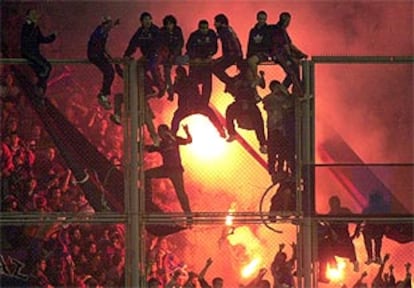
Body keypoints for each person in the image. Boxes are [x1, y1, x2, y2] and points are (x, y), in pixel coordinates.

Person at [144, 124, 193, 225]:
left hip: (176, 171)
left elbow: (189, 140)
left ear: (167, 131)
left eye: (161, 131)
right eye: (159, 132)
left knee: (181, 193)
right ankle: (148, 200)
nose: (160, 134)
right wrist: (142, 146)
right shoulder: (161, 144)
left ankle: (189, 217)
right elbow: (151, 149)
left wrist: (187, 131)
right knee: (147, 174)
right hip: (166, 169)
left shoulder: (175, 139)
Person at [169, 66, 225, 138]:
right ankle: (221, 130)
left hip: (190, 106)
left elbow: (174, 91)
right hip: (193, 106)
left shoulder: (187, 80)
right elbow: (174, 91)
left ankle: (172, 135)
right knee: (210, 113)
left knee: (176, 118)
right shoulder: (188, 80)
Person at [224, 60, 267, 153]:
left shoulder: (253, 78)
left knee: (258, 120)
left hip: (251, 103)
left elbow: (262, 85)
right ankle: (232, 133)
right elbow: (228, 89)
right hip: (239, 103)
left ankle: (263, 143)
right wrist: (234, 86)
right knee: (229, 111)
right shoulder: (237, 79)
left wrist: (261, 78)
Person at [123, 12, 165, 96]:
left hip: (157, 53)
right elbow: (133, 44)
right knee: (138, 70)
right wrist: (127, 55)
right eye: (145, 19)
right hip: (147, 56)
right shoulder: (140, 32)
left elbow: (158, 45)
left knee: (153, 66)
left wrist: (149, 55)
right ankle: (149, 88)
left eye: (149, 19)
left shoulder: (155, 30)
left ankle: (161, 87)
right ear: (141, 22)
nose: (148, 21)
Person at [20, 9, 57, 96]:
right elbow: (26, 39)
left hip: (34, 53)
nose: (35, 16)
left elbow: (42, 39)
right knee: (45, 68)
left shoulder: (35, 27)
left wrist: (53, 36)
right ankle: (39, 88)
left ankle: (40, 89)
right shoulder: (26, 26)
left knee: (45, 68)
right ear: (28, 16)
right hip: (28, 52)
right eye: (33, 14)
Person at [262, 80, 293, 183]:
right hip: (274, 129)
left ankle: (279, 170)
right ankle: (273, 171)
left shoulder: (285, 99)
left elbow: (290, 103)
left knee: (282, 152)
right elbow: (266, 102)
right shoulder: (270, 99)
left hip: (282, 130)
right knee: (272, 152)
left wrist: (285, 93)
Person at [270, 12, 307, 96]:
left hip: (282, 54)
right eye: (287, 21)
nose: (288, 23)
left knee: (294, 69)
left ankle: (288, 88)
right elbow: (286, 46)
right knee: (292, 72)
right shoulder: (279, 30)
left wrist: (299, 53)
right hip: (279, 55)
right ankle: (298, 91)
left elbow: (289, 44)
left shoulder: (282, 30)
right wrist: (292, 55)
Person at [87, 16, 120, 110]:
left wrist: (111, 57)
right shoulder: (99, 31)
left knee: (110, 72)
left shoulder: (103, 33)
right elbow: (104, 30)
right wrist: (114, 24)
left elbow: (103, 47)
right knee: (109, 72)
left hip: (98, 54)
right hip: (95, 55)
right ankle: (103, 94)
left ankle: (104, 94)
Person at [186, 19, 218, 105]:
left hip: (206, 63)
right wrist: (195, 57)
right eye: (202, 28)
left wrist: (210, 55)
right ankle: (194, 102)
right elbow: (189, 48)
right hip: (196, 63)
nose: (204, 30)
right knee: (193, 83)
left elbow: (215, 47)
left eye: (206, 28)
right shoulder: (194, 35)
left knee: (207, 85)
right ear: (199, 28)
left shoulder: (212, 34)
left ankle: (204, 103)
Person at [326, 195, 359, 272]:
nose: (334, 206)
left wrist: (356, 232)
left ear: (339, 203)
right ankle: (333, 264)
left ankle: (354, 262)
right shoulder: (329, 215)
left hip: (344, 234)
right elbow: (327, 227)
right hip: (334, 237)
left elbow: (356, 220)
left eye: (335, 203)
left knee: (350, 247)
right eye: (332, 204)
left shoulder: (344, 211)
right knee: (327, 247)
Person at [158, 15, 185, 98]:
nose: (169, 26)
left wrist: (174, 55)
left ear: (174, 24)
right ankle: (170, 92)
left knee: (180, 70)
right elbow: (161, 44)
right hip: (166, 56)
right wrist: (166, 55)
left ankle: (175, 89)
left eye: (171, 24)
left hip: (177, 55)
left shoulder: (178, 30)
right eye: (167, 24)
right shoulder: (162, 32)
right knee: (166, 72)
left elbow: (180, 43)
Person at [212, 14, 243, 86]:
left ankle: (231, 82)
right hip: (236, 55)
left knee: (215, 68)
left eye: (216, 22)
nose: (214, 24)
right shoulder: (229, 29)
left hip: (231, 55)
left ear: (221, 23)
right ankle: (231, 82)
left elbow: (229, 46)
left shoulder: (223, 30)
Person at [246, 11, 272, 88]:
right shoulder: (253, 31)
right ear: (257, 19)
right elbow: (249, 44)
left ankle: (256, 78)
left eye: (264, 19)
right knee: (247, 71)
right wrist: (248, 54)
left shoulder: (268, 30)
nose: (262, 21)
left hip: (264, 53)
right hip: (253, 54)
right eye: (260, 19)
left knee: (251, 61)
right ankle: (258, 84)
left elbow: (270, 44)